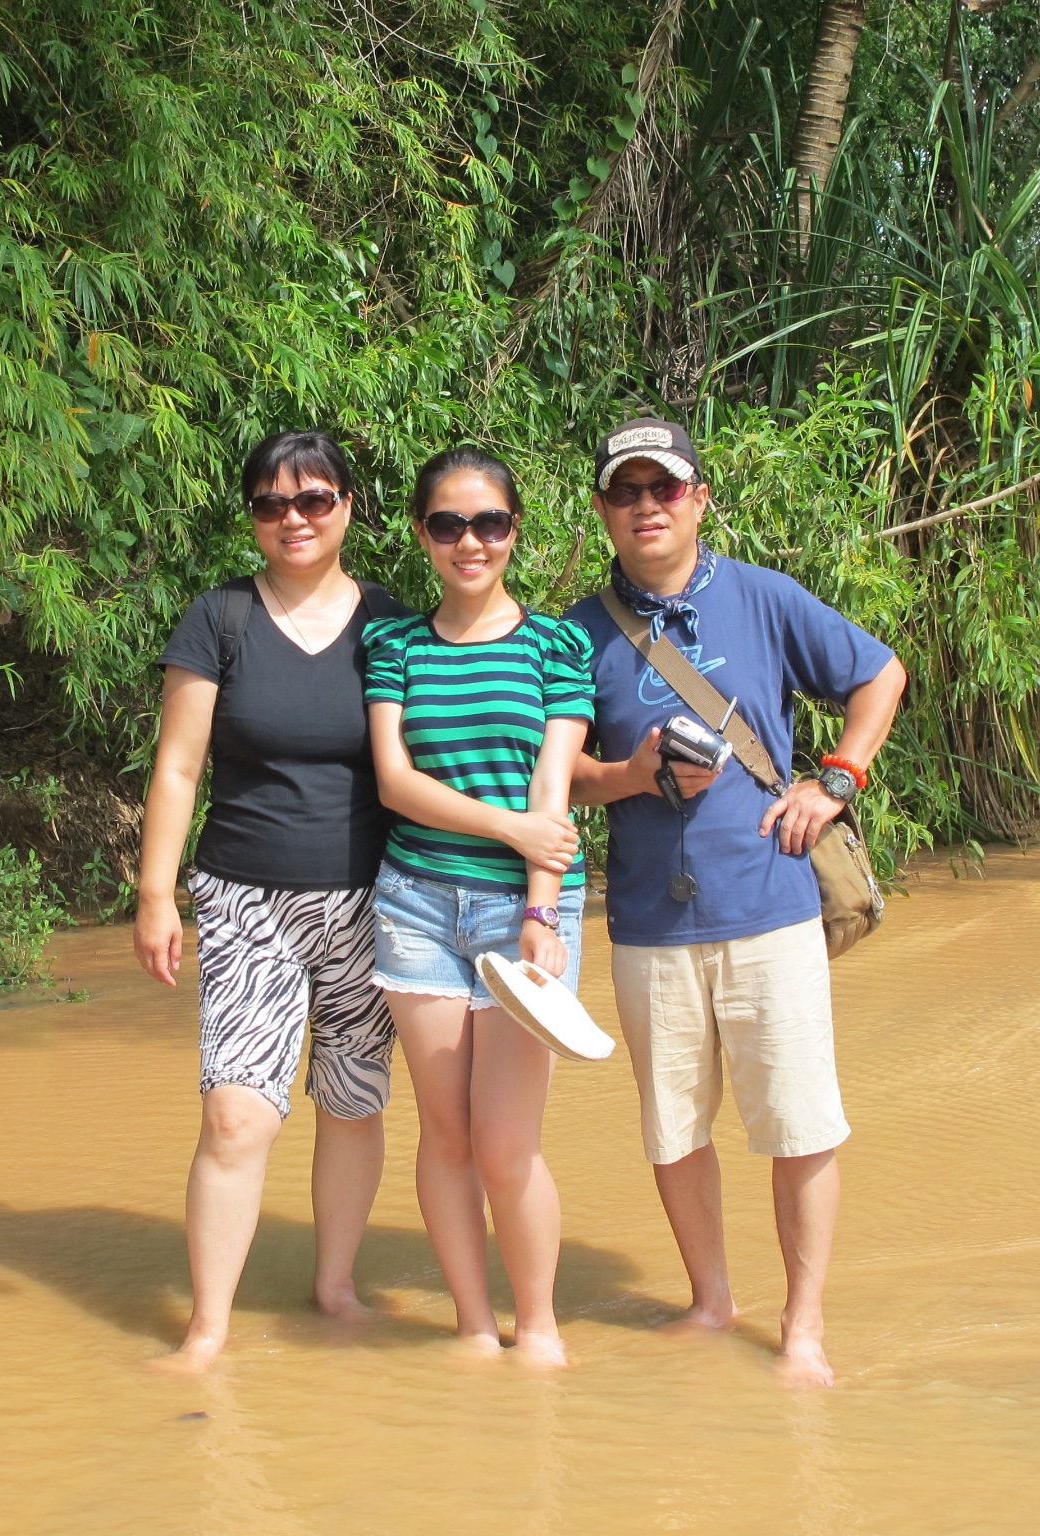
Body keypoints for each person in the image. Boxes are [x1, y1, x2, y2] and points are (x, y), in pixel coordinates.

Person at [566, 417, 907, 1388]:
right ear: (600, 510)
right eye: (624, 492)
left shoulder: (761, 598)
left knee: (797, 1127)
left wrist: (835, 777)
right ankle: (710, 1301)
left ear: (698, 500)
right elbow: (561, 781)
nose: (645, 507)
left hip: (769, 909)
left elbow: (879, 673)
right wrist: (629, 774)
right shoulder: (578, 635)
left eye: (662, 489)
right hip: (646, 923)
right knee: (672, 1132)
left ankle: (802, 1330)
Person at [134, 429, 412, 1373]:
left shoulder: (393, 622)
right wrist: (154, 892)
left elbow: (436, 758)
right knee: (234, 1114)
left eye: (313, 500)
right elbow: (178, 766)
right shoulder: (219, 619)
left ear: (347, 506)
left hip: (374, 901)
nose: (291, 519)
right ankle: (207, 1327)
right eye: (269, 503)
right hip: (246, 899)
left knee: (351, 1100)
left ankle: (334, 1287)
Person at [362, 446, 596, 1368]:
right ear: (423, 534)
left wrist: (541, 914)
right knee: (447, 1133)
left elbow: (556, 793)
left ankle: (536, 1325)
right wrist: (515, 832)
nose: (471, 541)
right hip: (415, 904)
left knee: (506, 1143)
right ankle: (469, 1324)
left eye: (490, 523)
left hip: (524, 914)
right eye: (449, 524)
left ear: (513, 532)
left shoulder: (556, 645)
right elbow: (393, 781)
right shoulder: (394, 646)